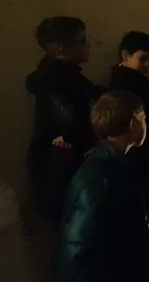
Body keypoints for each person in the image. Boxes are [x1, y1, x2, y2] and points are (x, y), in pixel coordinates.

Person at [55, 91, 149, 282]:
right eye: (144, 119)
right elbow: (91, 246)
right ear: (133, 123)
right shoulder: (109, 177)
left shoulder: (103, 164)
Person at [26, 17, 104, 223]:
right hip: (59, 168)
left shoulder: (69, 76)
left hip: (63, 165)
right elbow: (72, 121)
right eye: (82, 41)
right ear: (62, 49)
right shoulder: (54, 81)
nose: (88, 46)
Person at [108, 31, 149, 230]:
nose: (147, 65)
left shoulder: (121, 82)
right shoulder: (133, 86)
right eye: (143, 59)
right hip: (138, 157)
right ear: (125, 55)